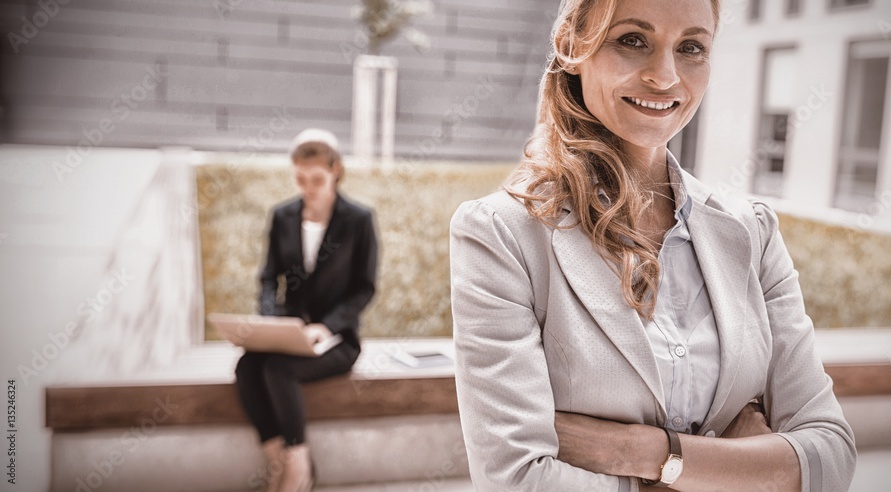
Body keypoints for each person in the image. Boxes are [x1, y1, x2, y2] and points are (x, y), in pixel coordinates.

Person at [448, 0, 856, 491]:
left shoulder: (752, 231)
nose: (664, 76)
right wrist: (735, 467)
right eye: (632, 41)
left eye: (690, 48)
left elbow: (829, 457)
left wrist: (643, 453)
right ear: (571, 46)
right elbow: (515, 479)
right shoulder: (501, 234)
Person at [235, 128, 378, 492]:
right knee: (247, 366)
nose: (308, 188)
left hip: (338, 338)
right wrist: (267, 322)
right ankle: (277, 460)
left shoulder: (358, 219)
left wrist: (327, 327)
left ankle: (299, 467)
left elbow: (365, 288)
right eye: (300, 179)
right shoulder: (282, 216)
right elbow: (268, 279)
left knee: (278, 370)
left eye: (316, 179)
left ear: (336, 171)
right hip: (288, 331)